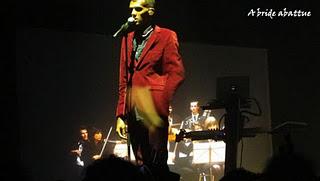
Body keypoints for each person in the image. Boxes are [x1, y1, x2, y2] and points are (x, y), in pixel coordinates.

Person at [114, 0, 185, 180]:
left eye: (139, 9)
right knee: (139, 160)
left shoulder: (167, 36)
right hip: (133, 108)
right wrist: (120, 115)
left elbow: (176, 73)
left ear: (150, 11)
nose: (133, 13)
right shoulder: (127, 38)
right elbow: (123, 80)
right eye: (131, 10)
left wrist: (161, 98)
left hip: (153, 107)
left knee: (156, 160)